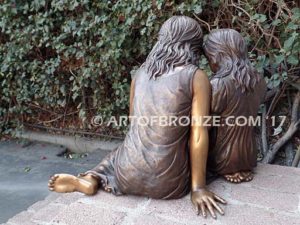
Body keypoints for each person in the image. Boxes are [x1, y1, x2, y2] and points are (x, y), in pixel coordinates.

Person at [48, 16, 226, 218]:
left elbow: (135, 124)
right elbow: (198, 135)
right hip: (168, 183)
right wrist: (198, 189)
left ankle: (92, 178)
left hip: (126, 173)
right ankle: (95, 178)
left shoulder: (140, 73)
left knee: (121, 151)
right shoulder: (196, 77)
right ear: (194, 45)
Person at [203, 29, 267, 183]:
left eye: (208, 58)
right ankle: (241, 167)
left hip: (221, 158)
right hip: (249, 156)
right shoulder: (259, 80)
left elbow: (207, 123)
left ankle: (229, 167)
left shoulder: (219, 83)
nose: (209, 63)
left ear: (218, 56)